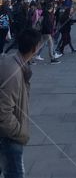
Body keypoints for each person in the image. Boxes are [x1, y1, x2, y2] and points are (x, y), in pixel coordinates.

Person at [0, 28, 41, 177]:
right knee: (15, 173)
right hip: (9, 137)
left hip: (7, 134)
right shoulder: (15, 72)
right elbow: (4, 113)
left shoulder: (10, 61)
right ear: (34, 48)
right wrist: (19, 133)